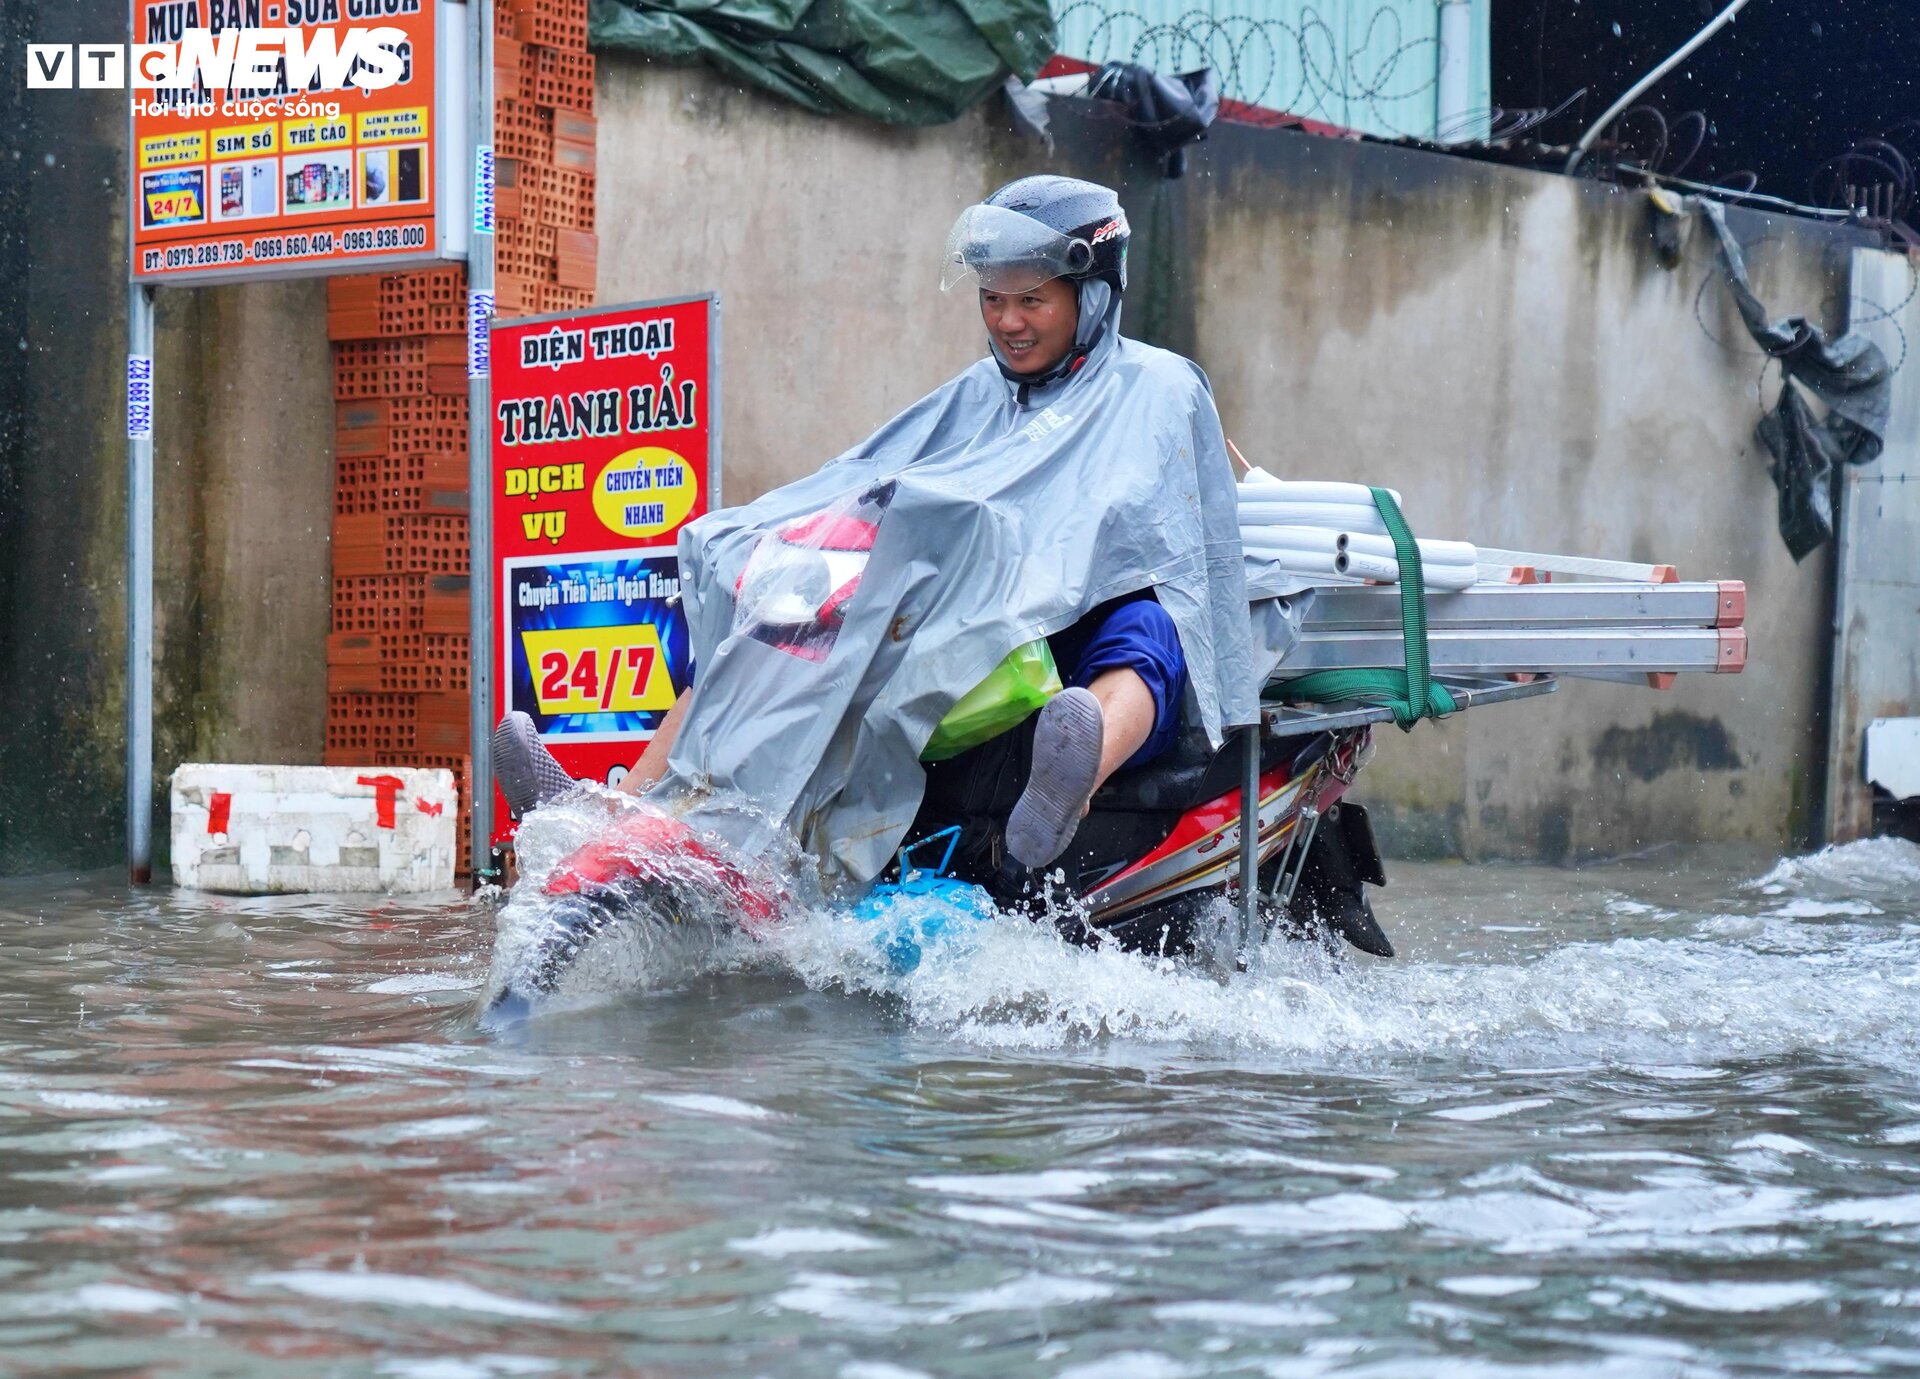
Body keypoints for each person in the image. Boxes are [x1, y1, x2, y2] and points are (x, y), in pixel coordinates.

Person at [495, 175, 1252, 881]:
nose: (1008, 322)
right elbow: (864, 482)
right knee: (772, 615)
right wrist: (774, 547)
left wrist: (1037, 560)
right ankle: (625, 806)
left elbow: (1175, 537)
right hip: (964, 610)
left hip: (1069, 628)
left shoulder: (1158, 384)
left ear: (1091, 294)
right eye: (993, 300)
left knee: (1150, 626)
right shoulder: (974, 392)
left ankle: (1068, 779)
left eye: (1032, 302)